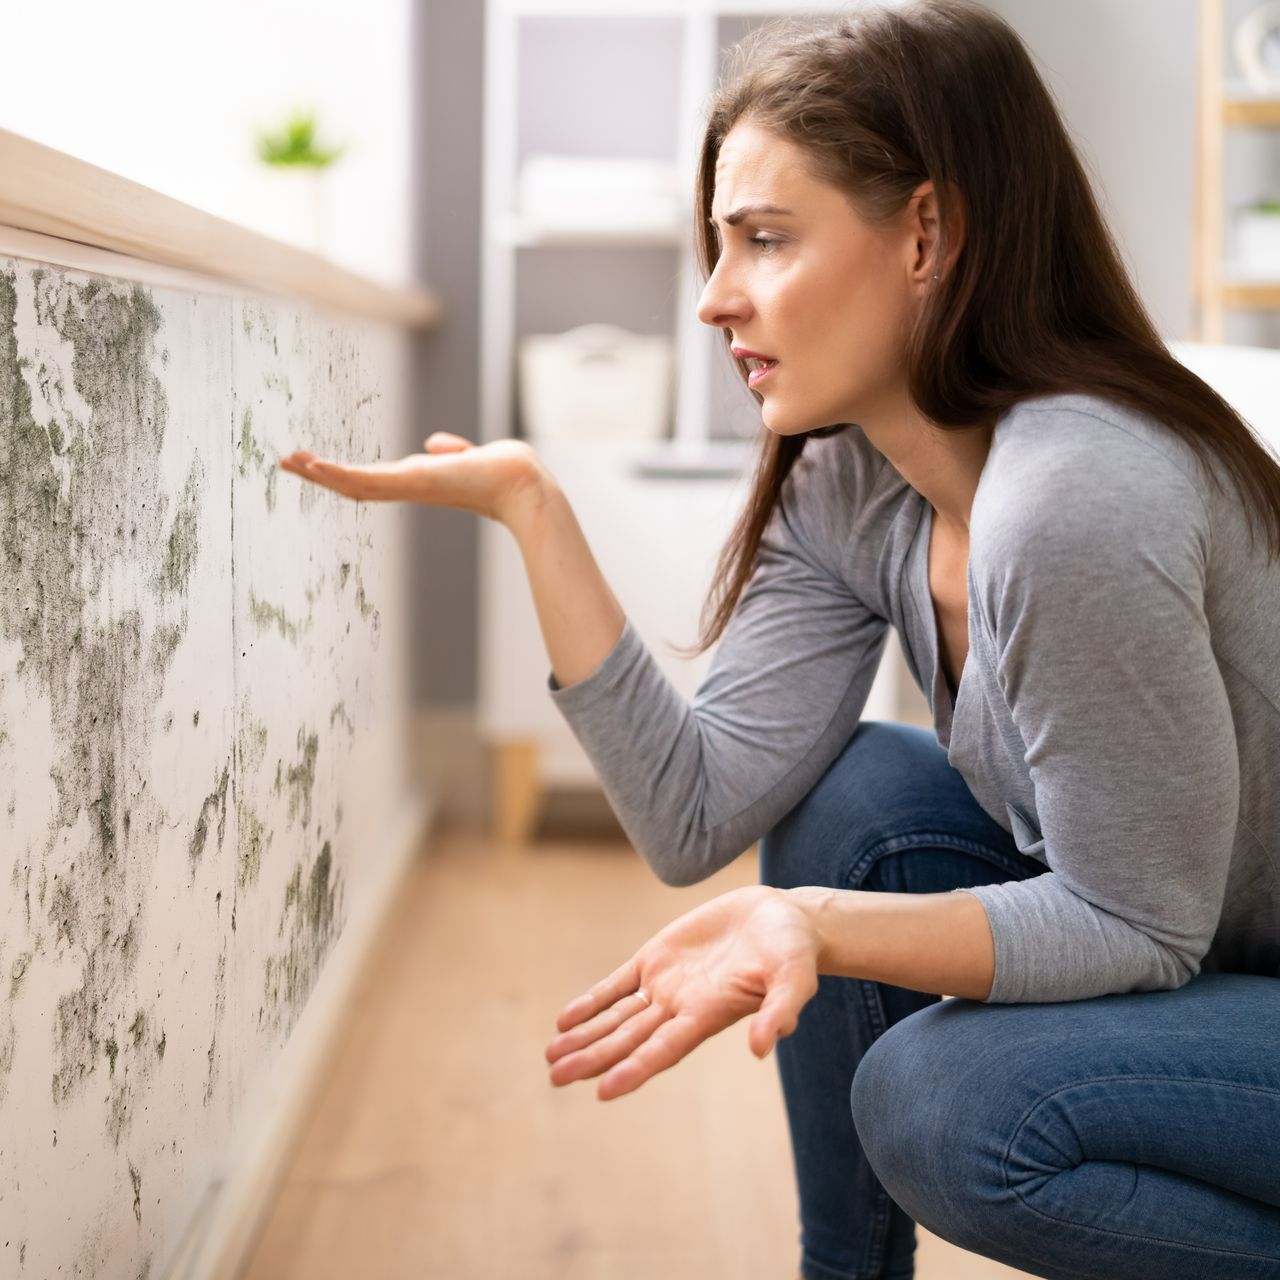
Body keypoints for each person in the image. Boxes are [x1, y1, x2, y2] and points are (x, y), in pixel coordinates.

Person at [280, 2, 1280, 1276]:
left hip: (1224, 975)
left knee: (945, 1102)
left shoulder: (1077, 493)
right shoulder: (853, 484)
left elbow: (1142, 927)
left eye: (762, 240)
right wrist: (535, 513)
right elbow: (693, 812)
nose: (711, 300)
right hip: (1206, 961)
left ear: (928, 231)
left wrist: (813, 923)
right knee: (852, 793)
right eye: (715, 246)